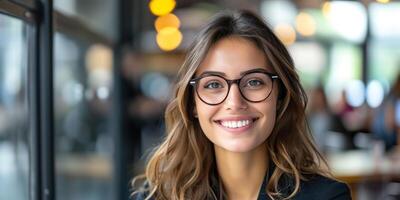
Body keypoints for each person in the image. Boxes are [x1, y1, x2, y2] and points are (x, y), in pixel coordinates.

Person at [132, 10, 351, 200]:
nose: (234, 102)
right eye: (213, 84)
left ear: (280, 96)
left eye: (254, 82)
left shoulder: (327, 196)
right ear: (192, 104)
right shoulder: (156, 196)